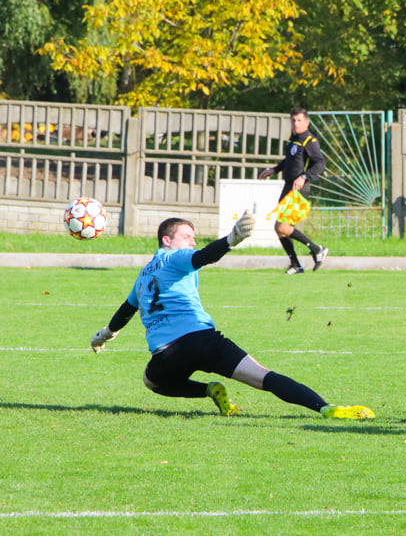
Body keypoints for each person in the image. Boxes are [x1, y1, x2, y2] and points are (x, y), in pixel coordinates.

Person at [89, 212, 374, 420]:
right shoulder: (172, 257)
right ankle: (326, 408)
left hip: (166, 356)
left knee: (153, 382)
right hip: (202, 341)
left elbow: (126, 310)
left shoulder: (143, 275)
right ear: (167, 240)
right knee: (265, 377)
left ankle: (210, 390)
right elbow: (204, 256)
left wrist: (105, 335)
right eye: (187, 237)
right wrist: (232, 239)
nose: (192, 242)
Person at [257, 107, 328, 275]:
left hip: (298, 189)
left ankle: (317, 249)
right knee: (279, 227)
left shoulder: (309, 141)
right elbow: (290, 160)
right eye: (293, 120)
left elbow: (320, 163)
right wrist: (274, 169)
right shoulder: (293, 139)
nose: (296, 124)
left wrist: (304, 176)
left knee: (282, 226)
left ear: (307, 122)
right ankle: (296, 264)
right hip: (288, 187)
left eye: (299, 120)